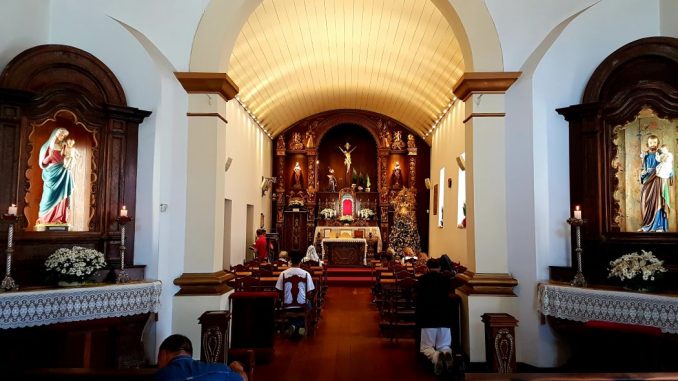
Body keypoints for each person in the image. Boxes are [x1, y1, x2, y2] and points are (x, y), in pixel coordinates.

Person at [415, 258, 455, 375]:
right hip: (445, 318)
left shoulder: (422, 280)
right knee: (444, 344)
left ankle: (436, 356)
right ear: (440, 268)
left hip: (428, 318)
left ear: (427, 268)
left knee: (426, 347)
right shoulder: (446, 280)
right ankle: (447, 353)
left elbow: (418, 299)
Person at [155, 334, 247, 381]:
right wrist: (237, 369)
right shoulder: (221, 370)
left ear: (163, 354)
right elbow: (243, 378)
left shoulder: (157, 377)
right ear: (189, 354)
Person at [37, 127, 75, 225]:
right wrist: (49, 156)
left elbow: (68, 157)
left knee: (63, 196)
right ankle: (45, 219)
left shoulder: (64, 146)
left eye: (64, 135)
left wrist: (69, 152)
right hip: (52, 173)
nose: (62, 137)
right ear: (55, 134)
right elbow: (43, 163)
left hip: (63, 173)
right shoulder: (48, 146)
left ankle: (59, 218)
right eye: (61, 134)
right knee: (48, 196)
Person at [275, 250, 315, 337]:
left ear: (290, 261)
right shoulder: (306, 274)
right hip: (302, 306)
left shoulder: (283, 274)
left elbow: (279, 291)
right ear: (300, 261)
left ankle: (293, 326)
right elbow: (309, 293)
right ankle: (298, 326)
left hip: (287, 306)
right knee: (310, 305)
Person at [639, 135, 670, 232]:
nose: (653, 144)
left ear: (657, 143)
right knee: (645, 199)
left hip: (657, 179)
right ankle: (646, 225)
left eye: (655, 142)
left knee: (657, 200)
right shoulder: (645, 154)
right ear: (647, 143)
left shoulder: (660, 152)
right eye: (651, 142)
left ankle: (659, 226)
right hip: (648, 179)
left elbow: (667, 163)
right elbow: (643, 167)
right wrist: (642, 173)